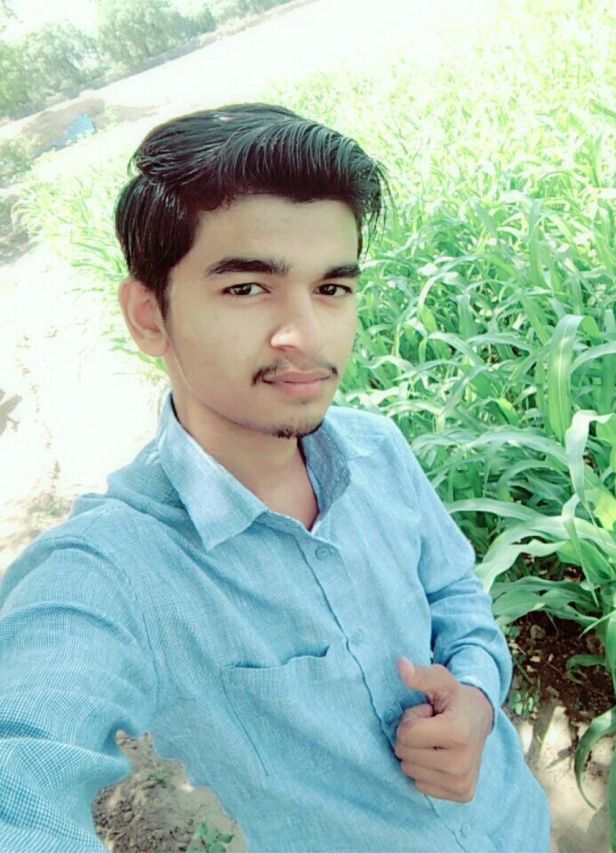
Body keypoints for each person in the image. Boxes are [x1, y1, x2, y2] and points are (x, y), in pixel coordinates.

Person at [0, 103, 550, 852]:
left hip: (519, 825)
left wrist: (479, 696)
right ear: (149, 317)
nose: (306, 335)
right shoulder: (109, 571)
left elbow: (455, 593)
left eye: (332, 288)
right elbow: (22, 765)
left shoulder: (378, 450)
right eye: (247, 288)